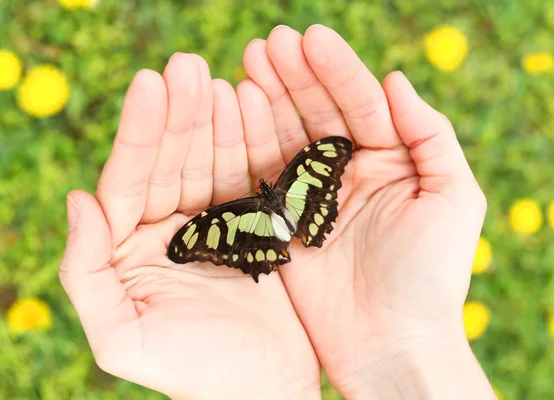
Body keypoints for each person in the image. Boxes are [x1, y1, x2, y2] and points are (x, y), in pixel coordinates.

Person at [59, 24, 497, 399]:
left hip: (262, 230)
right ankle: (294, 234)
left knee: (217, 226)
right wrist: (414, 350)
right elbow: (318, 160)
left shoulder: (228, 216)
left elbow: (213, 227)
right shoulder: (297, 173)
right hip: (296, 213)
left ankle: (276, 244)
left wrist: (412, 343)